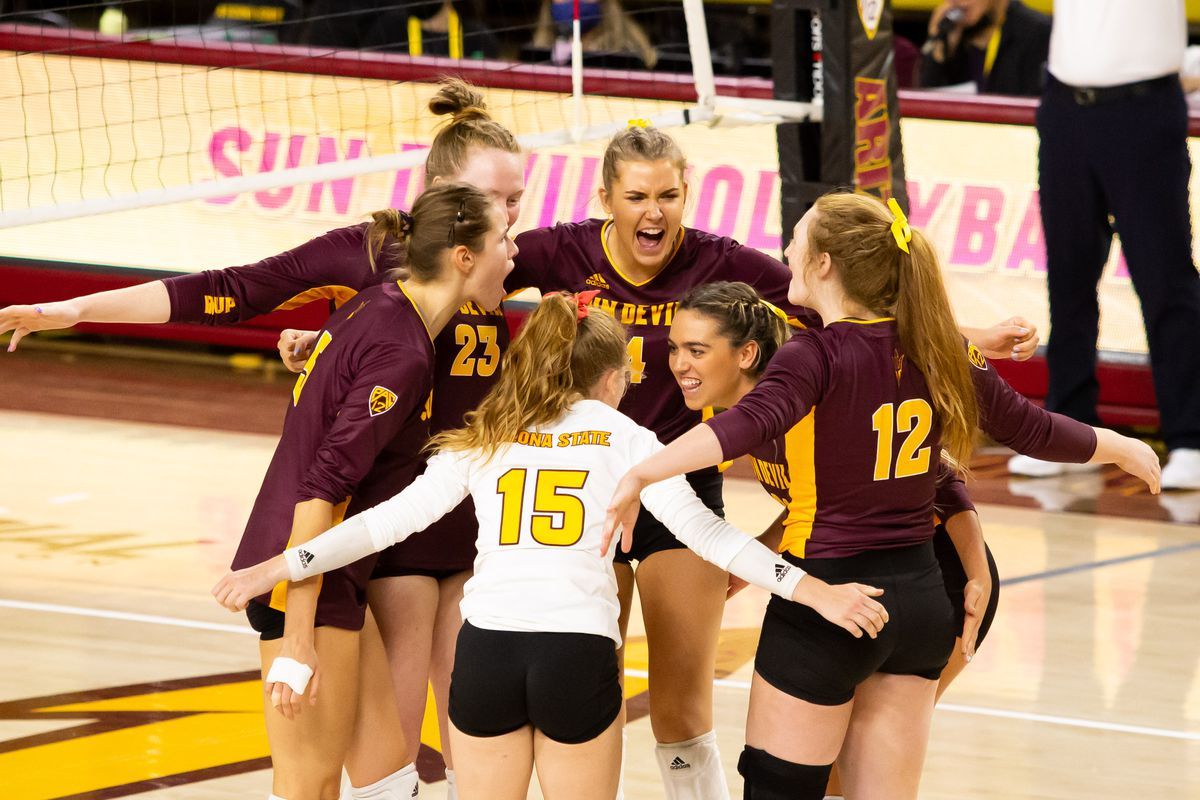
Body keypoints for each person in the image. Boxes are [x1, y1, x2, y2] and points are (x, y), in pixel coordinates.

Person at [0, 79, 526, 795]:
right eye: (494, 205)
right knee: (330, 771)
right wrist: (78, 309)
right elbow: (231, 291)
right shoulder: (382, 274)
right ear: (440, 196)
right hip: (344, 539)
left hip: (402, 526)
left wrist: (329, 348)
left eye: (514, 203)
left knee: (397, 773)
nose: (510, 224)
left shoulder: (467, 277)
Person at [507, 123, 1040, 800]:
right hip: (585, 490)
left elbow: (855, 304)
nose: (654, 212)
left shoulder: (724, 266)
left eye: (670, 194)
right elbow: (467, 271)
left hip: (679, 493)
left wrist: (975, 334)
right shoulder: (558, 251)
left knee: (679, 706)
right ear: (606, 195)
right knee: (585, 695)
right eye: (637, 195)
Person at [212, 292, 888, 800]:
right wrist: (814, 590)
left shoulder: (488, 435)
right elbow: (709, 535)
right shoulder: (632, 443)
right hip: (576, 652)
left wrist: (279, 563)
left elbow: (385, 521)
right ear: (610, 377)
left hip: (487, 653)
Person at [604, 191, 1161, 800]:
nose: (786, 250)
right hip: (920, 604)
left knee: (776, 788)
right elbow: (1030, 427)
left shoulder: (811, 353)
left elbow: (747, 423)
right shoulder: (935, 345)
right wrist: (1120, 445)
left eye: (796, 239)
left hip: (831, 600)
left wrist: (641, 472)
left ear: (823, 265)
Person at [224, 182, 514, 800]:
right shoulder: (402, 351)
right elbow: (323, 486)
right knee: (308, 786)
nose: (514, 254)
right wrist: (299, 635)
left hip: (332, 573)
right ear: (464, 257)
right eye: (503, 241)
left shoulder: (383, 304)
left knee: (388, 780)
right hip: (304, 579)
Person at [665, 281, 997, 797]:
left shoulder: (810, 393)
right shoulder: (721, 412)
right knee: (835, 769)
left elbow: (942, 478)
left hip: (938, 570)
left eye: (697, 350)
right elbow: (808, 502)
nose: (680, 364)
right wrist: (757, 553)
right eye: (675, 349)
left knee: (854, 767)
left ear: (746, 354)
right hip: (861, 573)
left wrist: (979, 573)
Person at [1008, 0, 1200, 489]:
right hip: (1064, 108)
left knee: (1165, 279)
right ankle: (1068, 431)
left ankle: (1191, 439)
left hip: (1143, 109)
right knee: (1068, 278)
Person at [920, 0, 1051, 97]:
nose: (955, 2)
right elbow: (927, 104)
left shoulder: (1038, 32)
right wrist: (938, 46)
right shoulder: (952, 32)